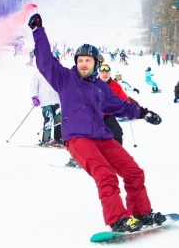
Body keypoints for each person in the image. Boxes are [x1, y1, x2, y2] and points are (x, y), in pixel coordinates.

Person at [28, 13, 165, 233]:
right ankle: (118, 219)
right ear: (76, 62)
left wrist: (144, 113)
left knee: (134, 172)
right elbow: (45, 62)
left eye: (88, 60)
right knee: (105, 175)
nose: (83, 64)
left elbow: (121, 105)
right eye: (80, 60)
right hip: (78, 138)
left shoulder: (101, 88)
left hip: (102, 137)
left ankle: (141, 212)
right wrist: (38, 31)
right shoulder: (64, 78)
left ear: (95, 63)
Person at [30, 70, 63, 147]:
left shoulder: (57, 72)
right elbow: (33, 86)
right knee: (49, 118)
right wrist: (34, 97)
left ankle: (58, 139)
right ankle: (46, 139)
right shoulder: (38, 73)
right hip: (45, 101)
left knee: (58, 119)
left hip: (56, 100)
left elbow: (63, 85)